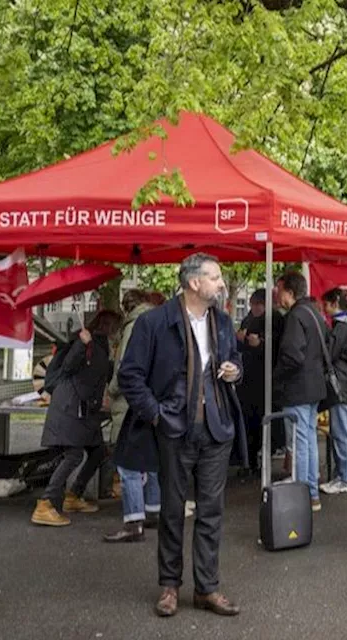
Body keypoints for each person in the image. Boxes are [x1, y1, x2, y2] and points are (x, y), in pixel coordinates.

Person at [117, 252, 246, 616]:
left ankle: (207, 588)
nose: (221, 284)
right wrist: (157, 416)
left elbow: (237, 359)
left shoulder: (221, 321)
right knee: (172, 511)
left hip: (217, 430)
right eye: (216, 278)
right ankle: (169, 587)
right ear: (194, 283)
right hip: (174, 429)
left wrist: (235, 369)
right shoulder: (155, 322)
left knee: (211, 512)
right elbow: (130, 376)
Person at [31, 310, 122, 527]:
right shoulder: (83, 341)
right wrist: (82, 345)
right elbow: (69, 367)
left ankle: (74, 495)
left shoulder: (98, 345)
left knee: (98, 450)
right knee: (72, 454)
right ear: (110, 327)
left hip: (81, 408)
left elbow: (99, 372)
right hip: (71, 407)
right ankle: (46, 504)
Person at [103, 290, 161, 542]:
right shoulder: (159, 321)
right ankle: (154, 510)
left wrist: (110, 391)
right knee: (152, 458)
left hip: (129, 401)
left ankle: (133, 521)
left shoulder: (134, 326)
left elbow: (125, 367)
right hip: (152, 398)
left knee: (128, 462)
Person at [274, 271, 329, 511]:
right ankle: (312, 492)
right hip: (315, 386)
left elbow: (292, 355)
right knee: (309, 440)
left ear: (289, 291)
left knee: (300, 442)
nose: (277, 295)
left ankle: (304, 493)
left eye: (279, 290)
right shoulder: (315, 314)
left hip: (297, 387)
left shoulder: (295, 316)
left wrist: (277, 377)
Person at [319, 287, 347, 495]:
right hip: (345, 383)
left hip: (340, 386)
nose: (324, 309)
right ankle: (343, 476)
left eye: (326, 305)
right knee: (340, 429)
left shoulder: (341, 329)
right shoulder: (346, 327)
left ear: (334, 303)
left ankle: (346, 478)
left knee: (341, 431)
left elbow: (328, 354)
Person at [237, 289, 268, 475]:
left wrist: (260, 344)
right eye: (252, 304)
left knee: (259, 420)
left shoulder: (271, 321)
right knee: (248, 419)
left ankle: (260, 456)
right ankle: (248, 458)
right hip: (247, 376)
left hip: (262, 378)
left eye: (258, 304)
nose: (254, 308)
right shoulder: (248, 320)